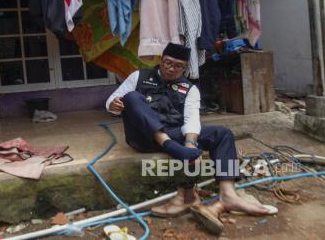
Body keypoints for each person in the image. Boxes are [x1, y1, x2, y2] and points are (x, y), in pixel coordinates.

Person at [105, 43, 272, 234]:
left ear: (185, 68)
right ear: (161, 60)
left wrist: (190, 143)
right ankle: (170, 148)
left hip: (174, 135)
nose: (170, 68)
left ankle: (228, 194)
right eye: (167, 63)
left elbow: (192, 118)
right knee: (132, 97)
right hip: (142, 136)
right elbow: (111, 100)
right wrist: (113, 105)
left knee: (222, 134)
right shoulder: (139, 76)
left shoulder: (189, 88)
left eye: (177, 66)